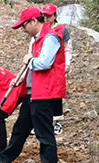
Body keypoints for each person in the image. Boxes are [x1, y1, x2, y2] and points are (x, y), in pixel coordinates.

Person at [0, 7, 66, 163]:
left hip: (45, 94)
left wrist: (30, 60)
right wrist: (21, 81)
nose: (23, 29)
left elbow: (44, 63)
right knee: (20, 129)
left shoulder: (50, 38)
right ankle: (4, 160)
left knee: (44, 133)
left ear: (34, 21)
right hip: (33, 93)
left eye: (24, 25)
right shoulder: (36, 41)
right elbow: (33, 69)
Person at [42, 3, 73, 135]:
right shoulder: (42, 28)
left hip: (58, 66)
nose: (47, 18)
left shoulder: (61, 30)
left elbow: (68, 48)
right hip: (44, 66)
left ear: (55, 15)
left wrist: (67, 64)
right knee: (44, 93)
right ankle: (45, 120)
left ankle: (57, 121)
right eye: (45, 15)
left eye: (49, 15)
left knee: (56, 93)